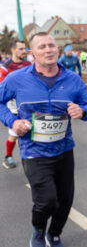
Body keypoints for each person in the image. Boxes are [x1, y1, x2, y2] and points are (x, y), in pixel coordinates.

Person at [0, 32, 87, 247]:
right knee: (46, 201)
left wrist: (82, 111)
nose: (48, 50)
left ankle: (54, 234)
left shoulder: (73, 79)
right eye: (41, 47)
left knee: (65, 201)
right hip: (34, 151)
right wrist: (12, 122)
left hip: (64, 150)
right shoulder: (17, 79)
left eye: (51, 45)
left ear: (58, 50)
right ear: (32, 54)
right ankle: (39, 232)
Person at [0, 39, 31, 169]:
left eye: (25, 49)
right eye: (21, 49)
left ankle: (29, 157)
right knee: (14, 133)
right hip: (12, 106)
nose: (24, 51)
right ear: (13, 50)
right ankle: (8, 156)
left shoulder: (28, 64)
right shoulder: (5, 67)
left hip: (28, 105)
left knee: (27, 132)